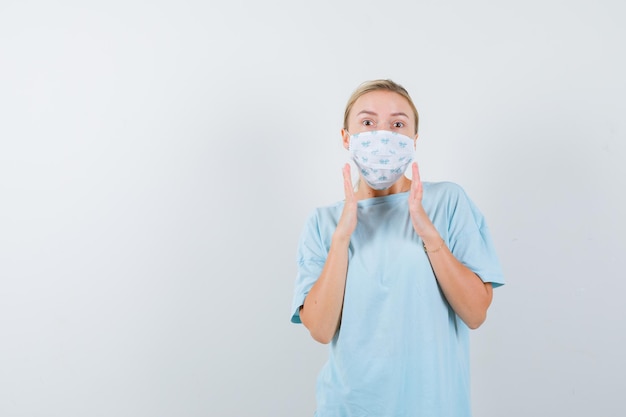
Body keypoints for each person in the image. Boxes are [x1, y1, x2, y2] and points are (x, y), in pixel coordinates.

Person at [290, 79, 505, 417]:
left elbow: (476, 313)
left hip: (434, 406)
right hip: (348, 407)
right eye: (367, 122)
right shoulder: (323, 222)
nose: (382, 134)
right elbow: (320, 329)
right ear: (346, 137)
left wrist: (429, 235)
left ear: (413, 140)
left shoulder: (448, 201)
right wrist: (342, 239)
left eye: (398, 124)